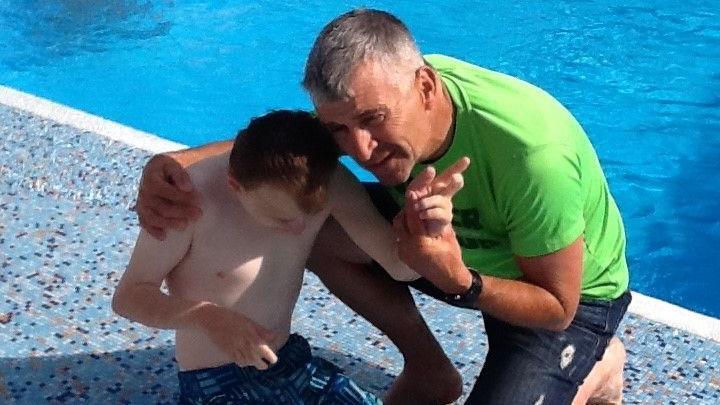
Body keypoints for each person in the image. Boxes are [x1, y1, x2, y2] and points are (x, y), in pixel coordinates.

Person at [136, 9, 631, 405]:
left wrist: (458, 278)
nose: (361, 149)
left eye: (374, 121)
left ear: (426, 87)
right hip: (431, 243)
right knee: (308, 220)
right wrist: (173, 163)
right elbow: (287, 145)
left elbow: (558, 308)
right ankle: (429, 369)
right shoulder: (370, 96)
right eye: (339, 131)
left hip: (557, 295)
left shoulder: (532, 155)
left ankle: (597, 366)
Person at [114, 110, 465, 404]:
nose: (301, 231)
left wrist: (426, 233)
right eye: (282, 219)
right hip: (216, 384)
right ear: (236, 185)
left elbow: (397, 267)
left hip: (291, 362)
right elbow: (129, 296)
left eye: (312, 215)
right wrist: (208, 317)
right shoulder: (190, 203)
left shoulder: (330, 180)